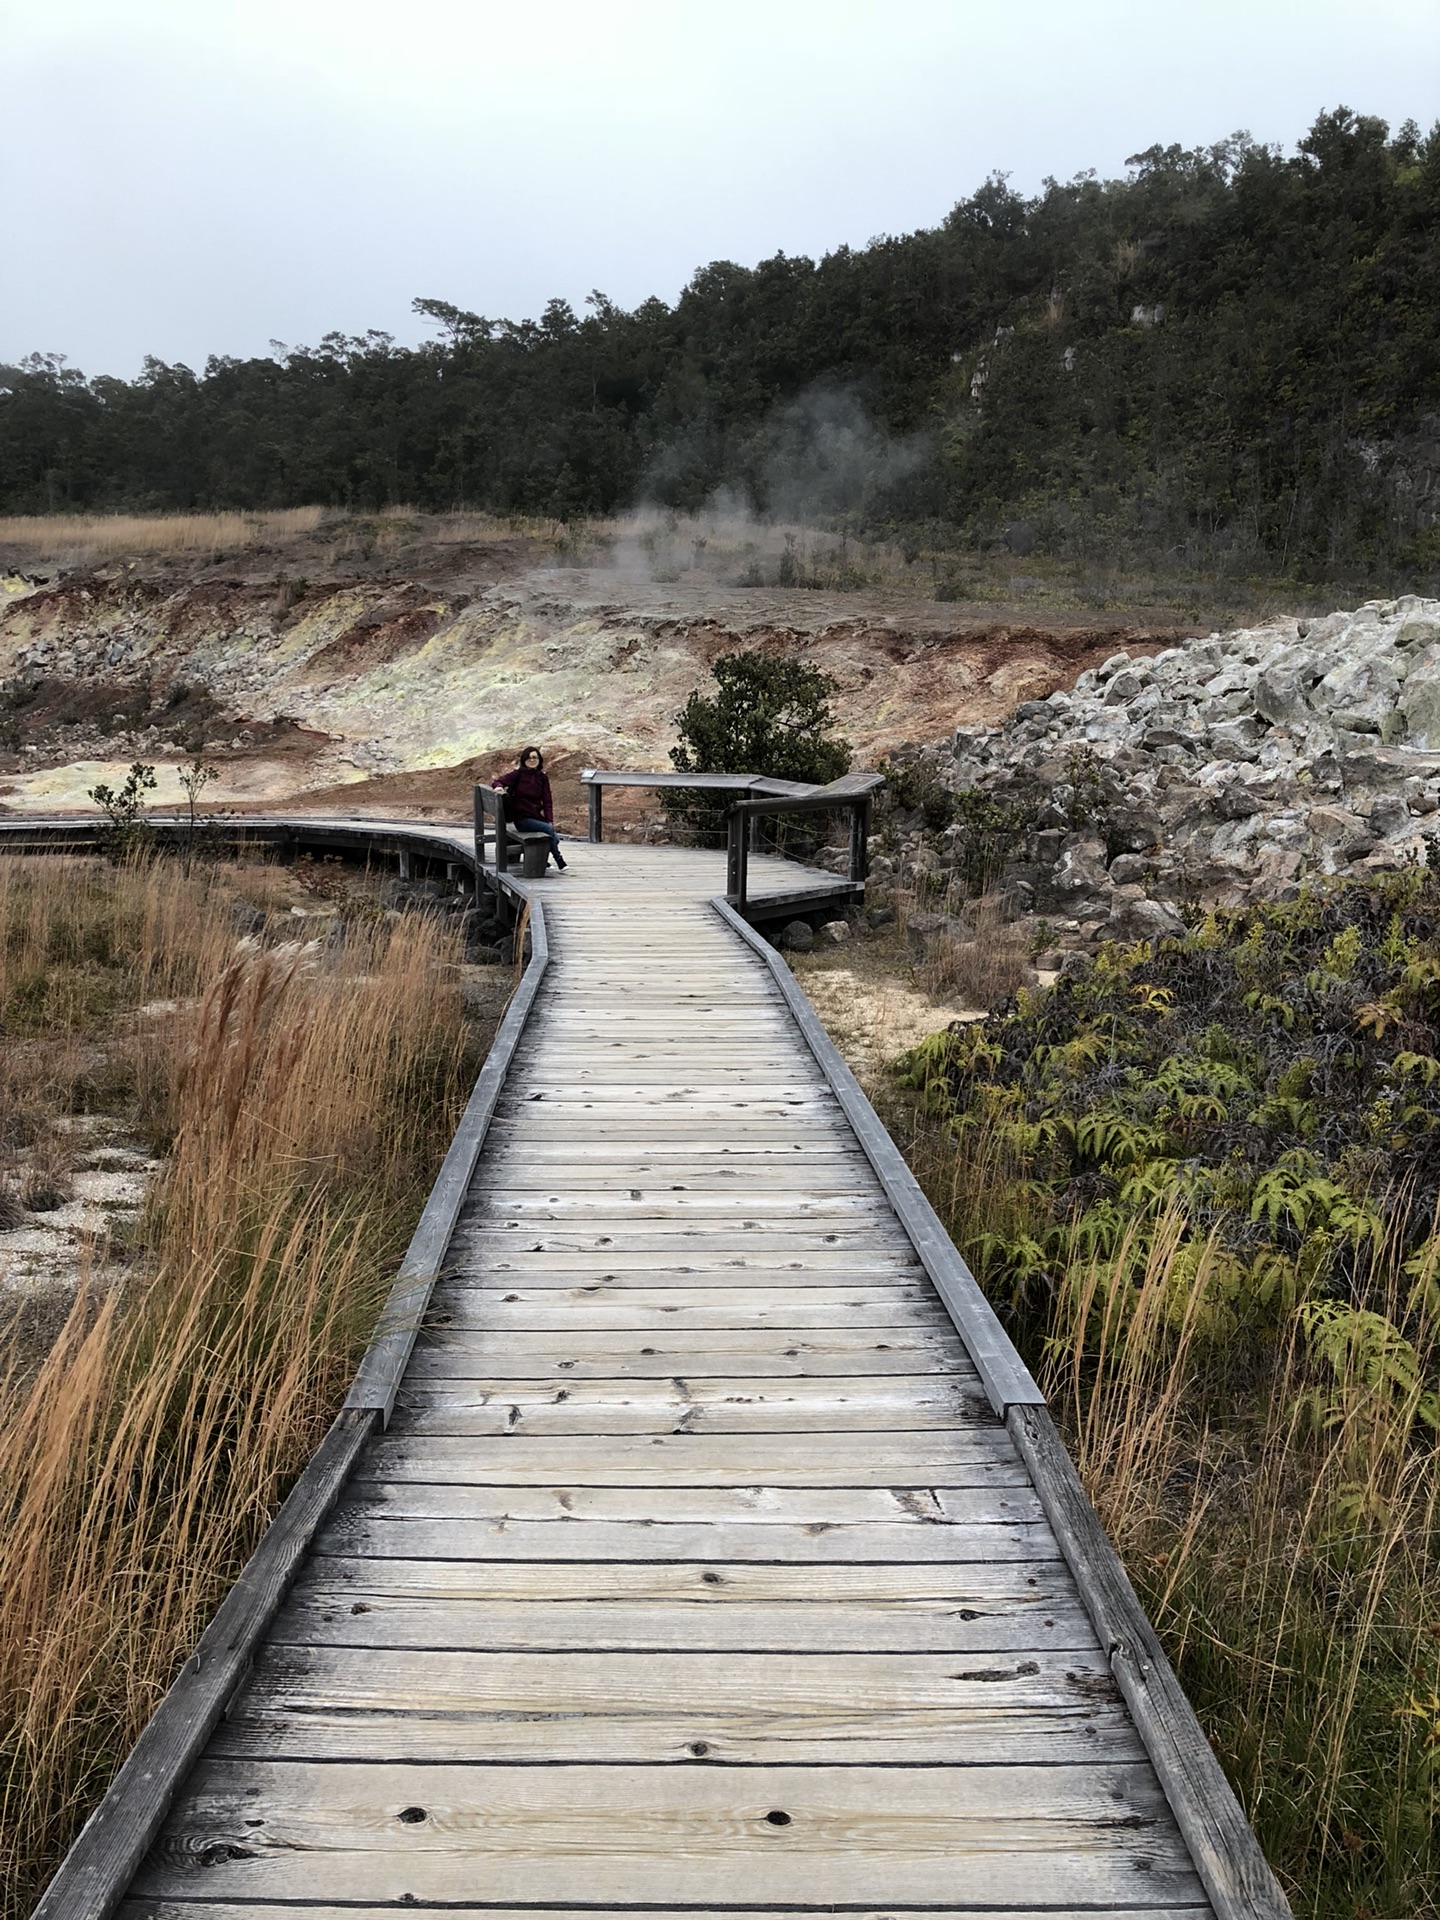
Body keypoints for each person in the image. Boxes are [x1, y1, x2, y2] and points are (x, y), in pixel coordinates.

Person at [491, 746, 567, 871]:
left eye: (535, 757)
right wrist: (499, 787)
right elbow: (497, 781)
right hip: (522, 819)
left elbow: (547, 801)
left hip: (536, 817)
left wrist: (549, 820)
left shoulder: (542, 777)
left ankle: (543, 861)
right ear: (524, 760)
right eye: (529, 758)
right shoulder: (518, 774)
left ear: (539, 760)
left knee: (554, 836)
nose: (532, 760)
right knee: (549, 831)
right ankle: (559, 860)